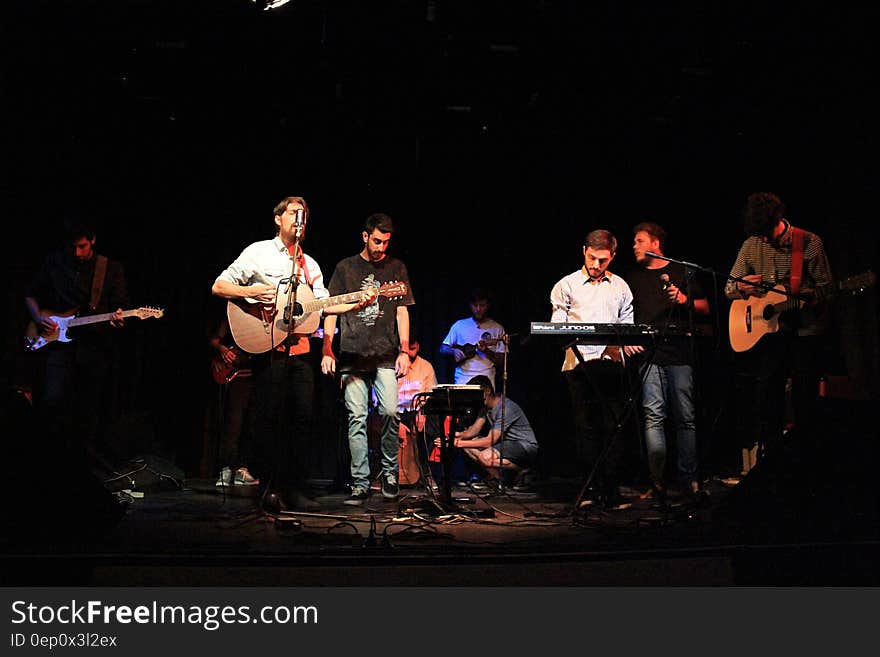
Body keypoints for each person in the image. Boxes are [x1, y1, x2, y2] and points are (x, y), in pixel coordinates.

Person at [212, 196, 363, 512]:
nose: (300, 219)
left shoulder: (311, 265)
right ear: (278, 218)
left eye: (305, 215)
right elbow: (220, 286)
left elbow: (324, 304)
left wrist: (356, 302)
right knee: (271, 419)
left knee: (302, 419)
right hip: (269, 349)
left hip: (301, 351)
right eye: (295, 213)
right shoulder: (259, 252)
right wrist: (252, 292)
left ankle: (294, 487)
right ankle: (268, 487)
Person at [724, 192, 833, 473]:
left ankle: (807, 464)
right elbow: (728, 288)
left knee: (803, 399)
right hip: (771, 335)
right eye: (758, 234)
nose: (763, 239)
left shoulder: (808, 243)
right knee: (766, 396)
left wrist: (810, 296)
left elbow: (827, 288)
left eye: (766, 233)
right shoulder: (752, 245)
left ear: (778, 221)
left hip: (805, 331)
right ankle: (772, 464)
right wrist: (742, 288)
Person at [321, 212, 415, 506]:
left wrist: (403, 349)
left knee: (389, 412)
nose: (381, 247)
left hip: (385, 355)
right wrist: (327, 349)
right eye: (377, 241)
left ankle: (389, 474)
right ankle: (360, 483)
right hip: (351, 355)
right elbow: (329, 310)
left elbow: (402, 311)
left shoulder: (396, 267)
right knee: (356, 419)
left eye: (386, 242)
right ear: (365, 236)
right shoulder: (345, 268)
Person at [24, 216, 129, 470]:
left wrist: (118, 319)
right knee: (52, 401)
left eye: (82, 246)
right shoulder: (55, 262)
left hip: (94, 347)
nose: (77, 252)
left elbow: (118, 308)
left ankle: (82, 467)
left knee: (88, 409)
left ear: (92, 240)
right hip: (58, 345)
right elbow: (30, 294)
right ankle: (49, 461)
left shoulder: (110, 268)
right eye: (72, 247)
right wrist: (39, 317)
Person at [624, 222, 711, 504]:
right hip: (648, 355)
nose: (634, 246)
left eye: (639, 241)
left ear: (655, 244)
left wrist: (685, 299)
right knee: (653, 417)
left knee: (685, 418)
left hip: (680, 352)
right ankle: (657, 483)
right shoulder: (633, 278)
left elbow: (705, 308)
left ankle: (690, 480)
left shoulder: (679, 271)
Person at [549, 229, 635, 510]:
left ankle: (611, 491)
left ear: (613, 256)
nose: (597, 265)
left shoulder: (620, 286)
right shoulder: (567, 285)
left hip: (611, 365)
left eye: (603, 260)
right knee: (585, 428)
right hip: (578, 364)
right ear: (583, 251)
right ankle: (588, 488)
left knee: (613, 427)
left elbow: (627, 324)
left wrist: (617, 346)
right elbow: (558, 327)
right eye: (592, 258)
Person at [438, 374, 538, 485]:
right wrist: (456, 436)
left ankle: (522, 469)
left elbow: (489, 441)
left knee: (484, 457)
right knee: (468, 447)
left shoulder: (505, 408)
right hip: (507, 444)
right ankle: (502, 479)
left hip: (523, 445)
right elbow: (474, 431)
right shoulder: (485, 408)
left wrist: (456, 443)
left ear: (487, 391)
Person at [206, 312, 259, 488]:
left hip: (255, 377)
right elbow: (214, 340)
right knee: (233, 425)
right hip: (237, 380)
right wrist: (222, 350)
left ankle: (242, 470)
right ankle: (226, 468)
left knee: (251, 426)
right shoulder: (231, 317)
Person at [393, 332, 437, 485]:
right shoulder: (392, 366)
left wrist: (422, 412)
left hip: (417, 411)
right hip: (396, 412)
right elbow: (378, 399)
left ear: (417, 346)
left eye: (412, 348)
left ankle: (426, 472)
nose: (409, 353)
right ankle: (391, 475)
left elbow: (430, 395)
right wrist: (397, 422)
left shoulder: (426, 367)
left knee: (429, 426)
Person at [440, 288, 506, 388]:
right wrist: (453, 351)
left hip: (486, 382)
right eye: (475, 305)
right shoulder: (459, 325)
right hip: (462, 381)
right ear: (471, 306)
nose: (478, 309)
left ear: (488, 306)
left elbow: (501, 361)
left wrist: (486, 351)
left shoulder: (497, 328)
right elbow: (443, 348)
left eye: (482, 305)